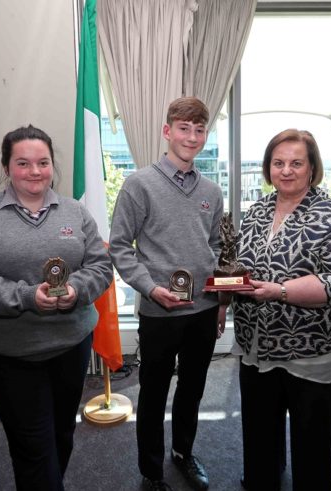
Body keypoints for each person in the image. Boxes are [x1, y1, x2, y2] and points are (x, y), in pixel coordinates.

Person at [0, 125, 112, 491]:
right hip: (11, 354)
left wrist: (77, 289)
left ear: (53, 166)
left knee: (61, 435)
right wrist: (26, 296)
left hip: (71, 347)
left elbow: (101, 267)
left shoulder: (76, 212)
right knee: (34, 446)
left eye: (42, 162)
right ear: (7, 167)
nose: (35, 171)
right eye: (23, 163)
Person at [230, 129, 331, 490]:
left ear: (311, 168)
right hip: (257, 345)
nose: (286, 170)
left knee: (313, 444)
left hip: (310, 349)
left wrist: (281, 291)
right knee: (259, 434)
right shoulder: (256, 210)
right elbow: (239, 264)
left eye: (296, 163)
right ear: (268, 167)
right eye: (278, 163)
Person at [110, 97, 223, 491]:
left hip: (203, 311)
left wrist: (222, 301)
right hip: (159, 312)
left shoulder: (212, 189)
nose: (191, 137)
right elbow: (120, 246)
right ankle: (152, 471)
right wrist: (150, 288)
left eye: (199, 130)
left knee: (193, 389)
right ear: (167, 131)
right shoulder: (139, 184)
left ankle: (183, 453)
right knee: (154, 394)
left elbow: (217, 249)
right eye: (183, 128)